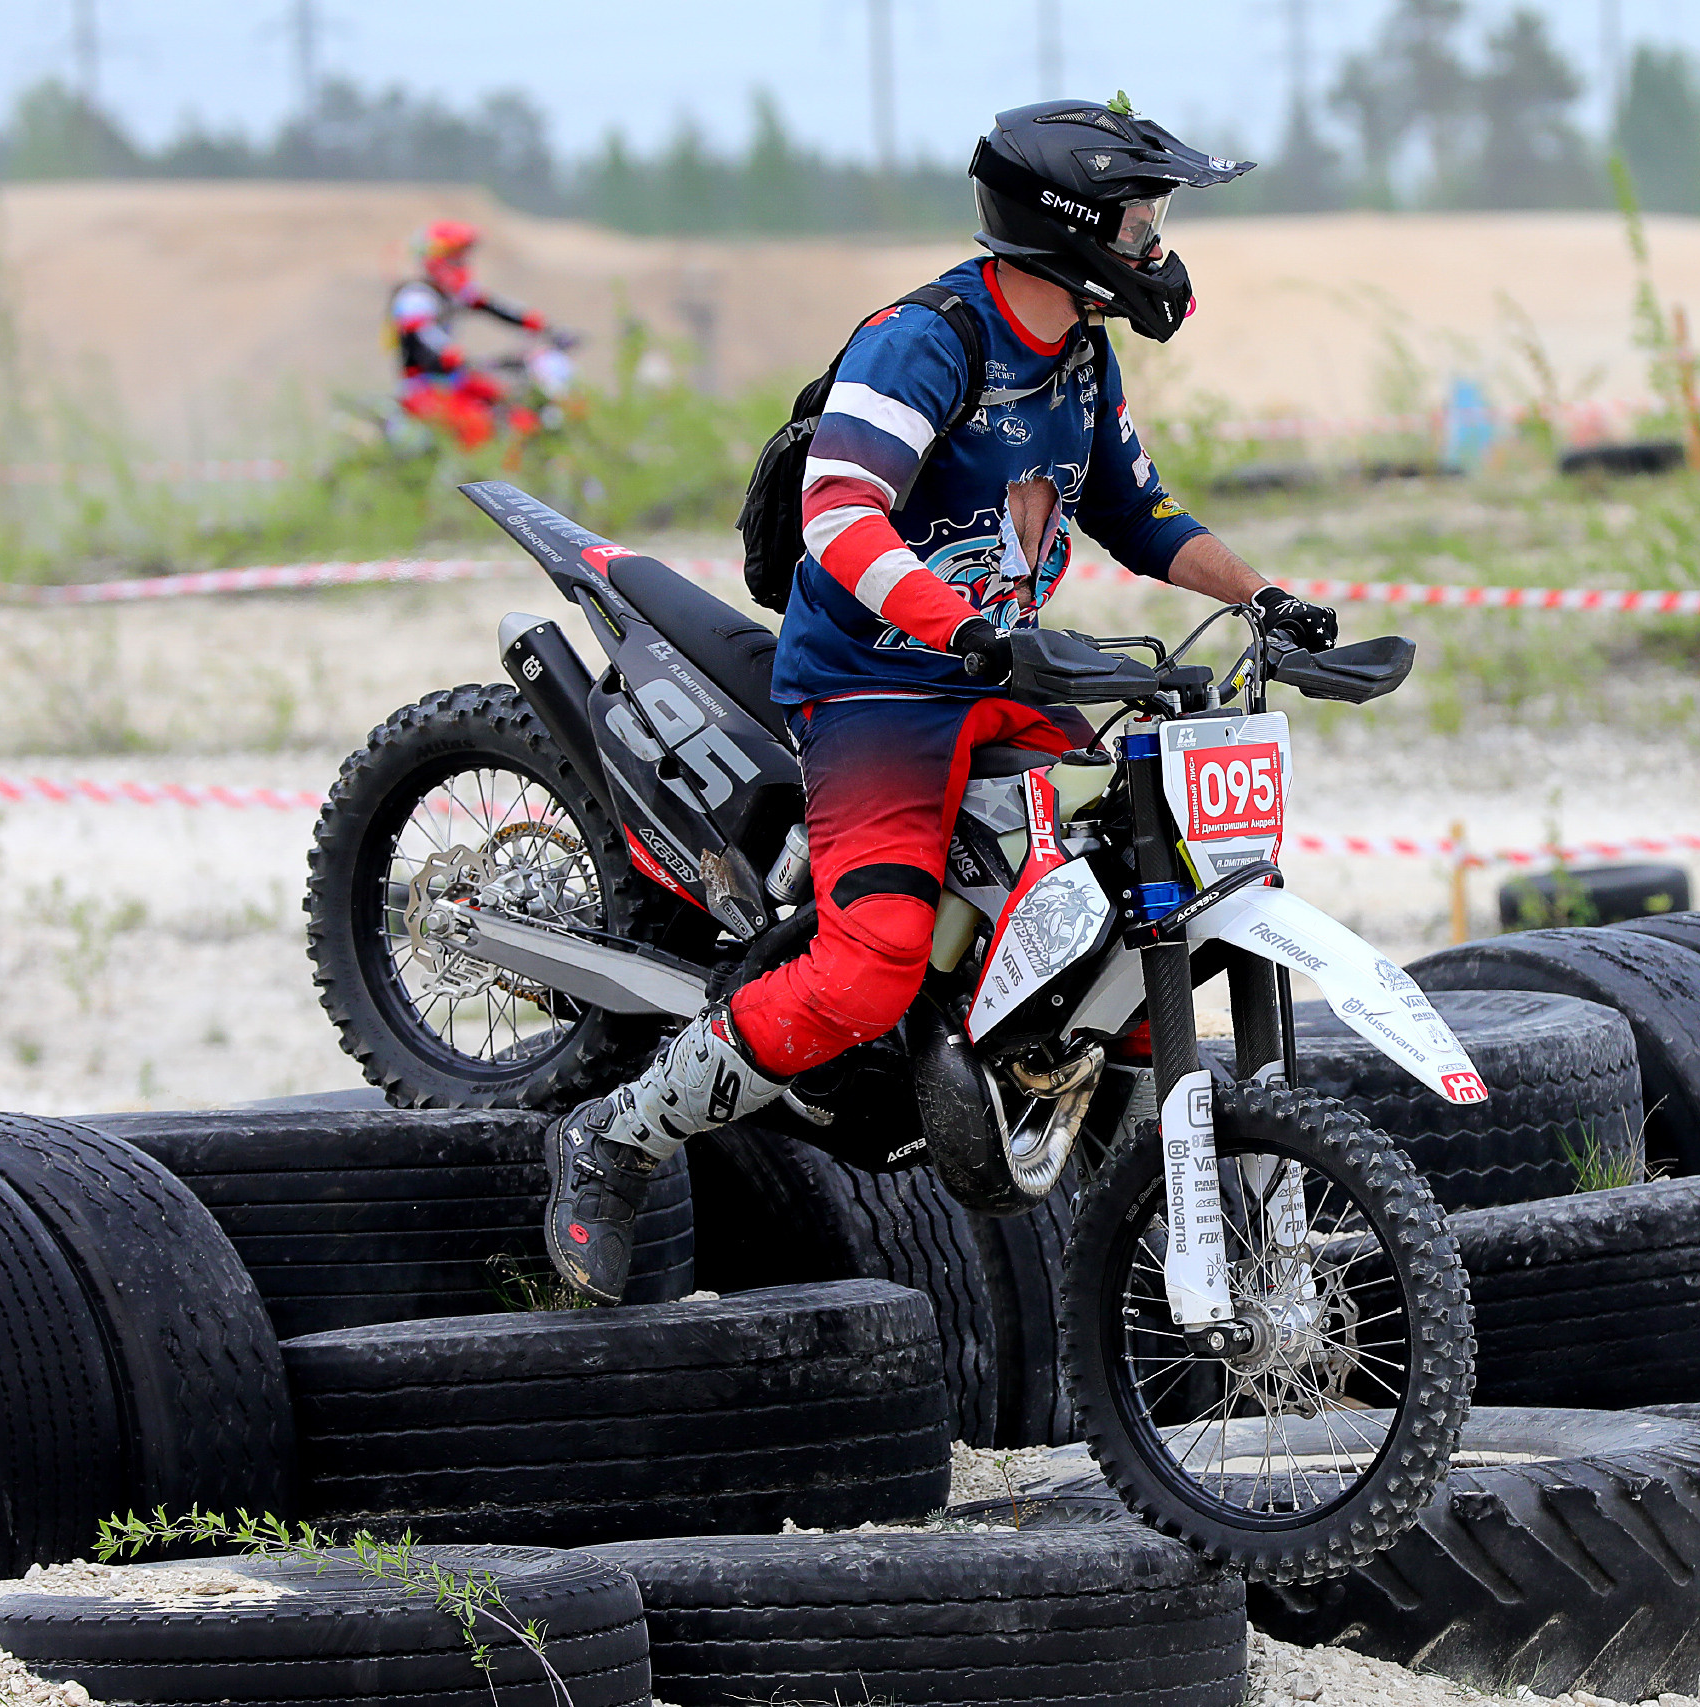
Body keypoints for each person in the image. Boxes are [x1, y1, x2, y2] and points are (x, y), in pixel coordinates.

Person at [540, 99, 1343, 1303]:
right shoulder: (925, 340)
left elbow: (1137, 515)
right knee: (869, 965)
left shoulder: (1077, 349)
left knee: (1127, 894)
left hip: (996, 673)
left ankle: (1039, 1101)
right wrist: (958, 626)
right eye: (1139, 218)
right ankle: (616, 1134)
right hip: (879, 684)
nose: (1157, 243)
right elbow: (840, 519)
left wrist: (1263, 597)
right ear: (1066, 225)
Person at [388, 221, 563, 450]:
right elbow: (422, 336)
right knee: (476, 424)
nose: (461, 264)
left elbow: (494, 306)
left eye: (462, 257)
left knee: (512, 404)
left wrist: (538, 323)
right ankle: (472, 478)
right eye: (455, 257)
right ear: (436, 259)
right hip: (423, 387)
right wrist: (450, 354)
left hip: (455, 379)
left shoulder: (454, 291)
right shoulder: (416, 298)